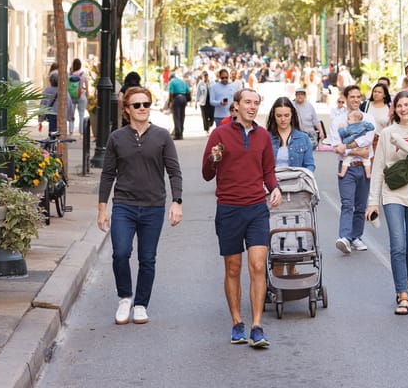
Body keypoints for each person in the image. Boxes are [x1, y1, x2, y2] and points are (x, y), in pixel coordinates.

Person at [202, 88, 283, 348]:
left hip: (256, 208)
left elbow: (268, 170)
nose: (252, 106)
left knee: (258, 265)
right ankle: (237, 322)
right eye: (247, 102)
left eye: (256, 102)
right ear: (235, 106)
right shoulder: (220, 134)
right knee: (233, 268)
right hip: (228, 208)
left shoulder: (262, 137)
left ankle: (257, 326)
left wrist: (275, 188)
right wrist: (215, 159)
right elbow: (206, 173)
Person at [98, 87, 183, 325]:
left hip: (153, 206)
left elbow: (174, 172)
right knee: (121, 253)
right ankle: (125, 297)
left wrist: (177, 202)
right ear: (127, 110)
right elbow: (107, 175)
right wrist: (102, 208)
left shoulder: (162, 136)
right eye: (137, 105)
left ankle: (141, 304)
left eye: (146, 103)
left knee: (147, 258)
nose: (143, 108)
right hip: (124, 205)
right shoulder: (116, 138)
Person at [365, 91, 408, 315]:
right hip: (392, 193)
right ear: (394, 109)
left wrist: (401, 144)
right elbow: (378, 169)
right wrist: (372, 202)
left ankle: (407, 278)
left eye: (407, 104)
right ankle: (402, 294)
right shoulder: (387, 133)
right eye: (399, 105)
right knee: (398, 244)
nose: (403, 109)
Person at [330, 85, 376, 254]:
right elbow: (336, 146)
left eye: (358, 97)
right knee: (347, 204)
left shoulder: (369, 119)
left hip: (364, 167)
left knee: (360, 205)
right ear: (346, 98)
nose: (356, 100)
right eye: (352, 97)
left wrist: (347, 146)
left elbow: (367, 140)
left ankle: (356, 237)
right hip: (346, 167)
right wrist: (356, 150)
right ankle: (344, 237)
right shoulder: (338, 121)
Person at [266, 96, 315, 171]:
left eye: (286, 115)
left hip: (297, 181)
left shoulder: (303, 138)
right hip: (272, 181)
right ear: (274, 116)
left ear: (292, 115)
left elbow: (310, 165)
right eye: (279, 116)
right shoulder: (266, 138)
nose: (283, 119)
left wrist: (303, 178)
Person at [338, 110, 375, 178]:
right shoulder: (364, 124)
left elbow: (343, 133)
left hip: (353, 145)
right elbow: (372, 127)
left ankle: (342, 173)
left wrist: (341, 128)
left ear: (354, 120)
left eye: (349, 119)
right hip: (362, 145)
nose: (347, 121)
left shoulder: (350, 127)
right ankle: (368, 174)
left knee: (346, 160)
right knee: (366, 160)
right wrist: (367, 124)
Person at [167, 70, 191, 140]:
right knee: (182, 116)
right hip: (183, 98)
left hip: (176, 98)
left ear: (170, 77)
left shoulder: (171, 82)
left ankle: (178, 134)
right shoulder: (182, 81)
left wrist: (170, 102)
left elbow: (171, 93)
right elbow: (188, 91)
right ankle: (181, 132)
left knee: (176, 116)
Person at [69, 58, 89, 134]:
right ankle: (81, 131)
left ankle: (71, 130)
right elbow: (87, 86)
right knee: (81, 114)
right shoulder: (83, 74)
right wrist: (87, 96)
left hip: (71, 96)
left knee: (71, 113)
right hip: (81, 95)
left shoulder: (70, 74)